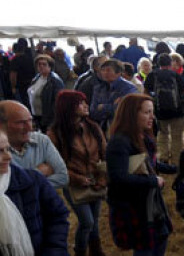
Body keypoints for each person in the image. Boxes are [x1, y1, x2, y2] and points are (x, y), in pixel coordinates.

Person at [106, 94, 177, 256]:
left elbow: (147, 163)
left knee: (160, 240)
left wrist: (174, 169)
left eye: (152, 112)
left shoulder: (143, 135)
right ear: (131, 114)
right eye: (147, 112)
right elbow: (118, 177)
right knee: (145, 249)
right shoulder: (120, 141)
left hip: (150, 204)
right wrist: (153, 180)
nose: (152, 117)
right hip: (134, 207)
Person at [47, 90, 107, 256]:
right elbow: (56, 164)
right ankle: (80, 251)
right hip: (73, 183)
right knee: (87, 222)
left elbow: (104, 153)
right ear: (68, 107)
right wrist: (77, 178)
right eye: (80, 103)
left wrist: (102, 176)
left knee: (94, 222)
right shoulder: (55, 134)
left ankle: (96, 251)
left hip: (96, 181)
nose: (86, 105)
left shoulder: (93, 127)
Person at [0, 130, 70, 256]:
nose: (8, 157)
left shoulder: (32, 180)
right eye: (0, 151)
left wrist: (53, 251)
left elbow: (58, 217)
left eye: (8, 149)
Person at [0, 100, 69, 188]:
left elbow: (63, 178)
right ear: (1, 125)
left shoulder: (41, 140)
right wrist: (37, 172)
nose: (29, 128)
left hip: (47, 200)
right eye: (21, 122)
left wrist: (21, 186)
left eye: (30, 121)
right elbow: (5, 189)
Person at [144, 54, 184, 163]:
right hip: (177, 111)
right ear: (170, 63)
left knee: (163, 134)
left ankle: (163, 157)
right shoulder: (176, 75)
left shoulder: (152, 75)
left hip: (160, 112)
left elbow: (145, 93)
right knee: (177, 136)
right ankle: (176, 160)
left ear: (158, 63)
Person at [90, 60, 138, 129]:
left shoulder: (128, 87)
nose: (104, 73)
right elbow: (93, 112)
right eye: (103, 70)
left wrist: (103, 107)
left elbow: (125, 111)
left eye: (108, 70)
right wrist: (112, 106)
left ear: (118, 73)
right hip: (104, 128)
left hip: (125, 128)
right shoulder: (99, 88)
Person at [27, 54, 65, 132]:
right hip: (36, 115)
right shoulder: (37, 78)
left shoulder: (55, 80)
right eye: (39, 64)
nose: (41, 66)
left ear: (50, 66)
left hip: (47, 118)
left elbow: (57, 102)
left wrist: (52, 119)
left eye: (44, 64)